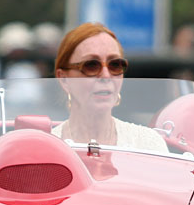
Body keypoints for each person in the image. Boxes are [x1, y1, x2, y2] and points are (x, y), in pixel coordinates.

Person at [51, 22, 166, 152]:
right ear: (64, 79)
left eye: (115, 64)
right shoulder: (46, 147)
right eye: (91, 65)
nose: (106, 75)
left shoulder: (148, 144)